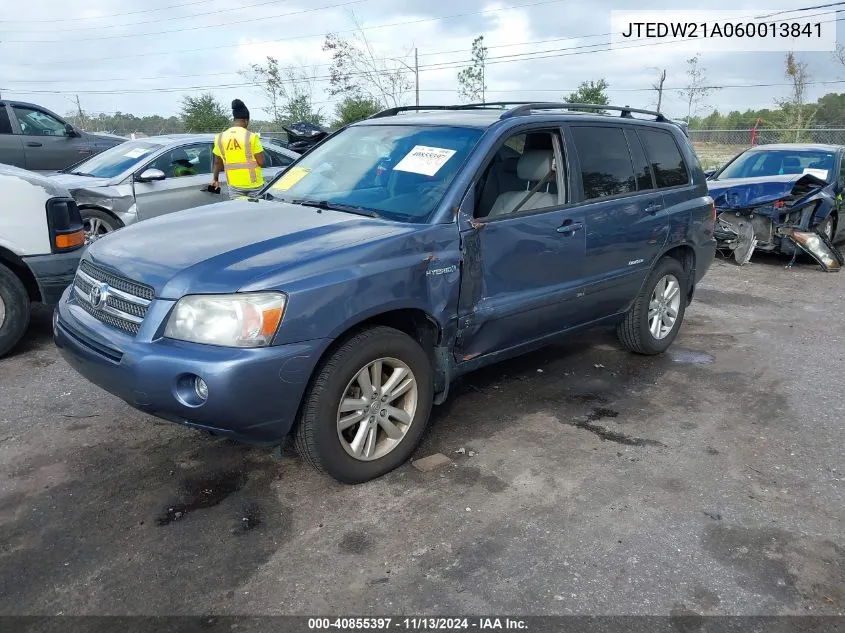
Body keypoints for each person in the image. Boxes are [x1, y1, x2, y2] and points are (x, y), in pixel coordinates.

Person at [211, 99, 265, 199]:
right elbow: (261, 162)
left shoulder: (219, 137)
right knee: (256, 213)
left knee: (239, 212)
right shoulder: (251, 137)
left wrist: (215, 179)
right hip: (255, 186)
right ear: (246, 120)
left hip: (234, 186)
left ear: (234, 120)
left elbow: (217, 163)